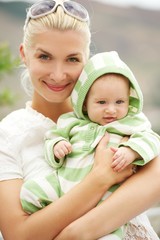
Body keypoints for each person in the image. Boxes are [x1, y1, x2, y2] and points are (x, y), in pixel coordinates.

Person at [0, 1, 160, 240]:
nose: (58, 74)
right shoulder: (8, 134)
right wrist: (100, 179)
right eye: (44, 56)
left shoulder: (114, 115)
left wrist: (77, 233)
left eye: (72, 59)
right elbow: (19, 235)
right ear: (24, 54)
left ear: (87, 60)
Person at [20, 51, 160, 239]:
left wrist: (131, 151)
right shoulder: (72, 122)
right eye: (101, 102)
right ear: (85, 104)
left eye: (119, 101)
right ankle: (51, 220)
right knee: (29, 192)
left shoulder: (131, 123)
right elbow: (53, 136)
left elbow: (151, 140)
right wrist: (57, 146)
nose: (111, 109)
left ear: (130, 100)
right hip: (64, 188)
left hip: (106, 204)